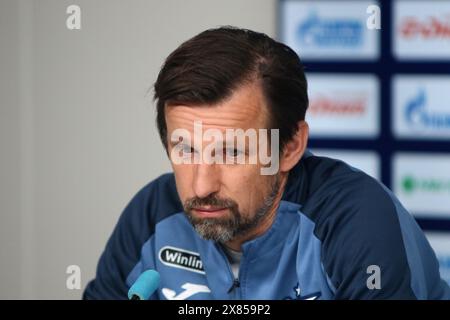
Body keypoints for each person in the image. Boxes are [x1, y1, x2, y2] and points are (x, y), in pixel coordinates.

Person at [83, 26, 450, 300]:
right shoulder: (152, 215)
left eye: (232, 152)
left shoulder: (354, 217)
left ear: (290, 147)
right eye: (186, 150)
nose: (201, 187)